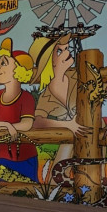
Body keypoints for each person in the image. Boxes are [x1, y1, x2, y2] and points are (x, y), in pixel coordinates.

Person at [0, 38, 38, 180]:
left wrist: (3, 127)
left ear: (18, 70)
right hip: (0, 158)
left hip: (25, 158)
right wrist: (4, 125)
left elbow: (27, 124)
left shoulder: (26, 97)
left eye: (3, 63)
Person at [29, 34, 85, 174]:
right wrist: (67, 125)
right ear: (49, 60)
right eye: (60, 51)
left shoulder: (80, 77)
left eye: (67, 48)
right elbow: (37, 122)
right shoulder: (46, 96)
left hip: (92, 137)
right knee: (58, 173)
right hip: (69, 140)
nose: (67, 53)